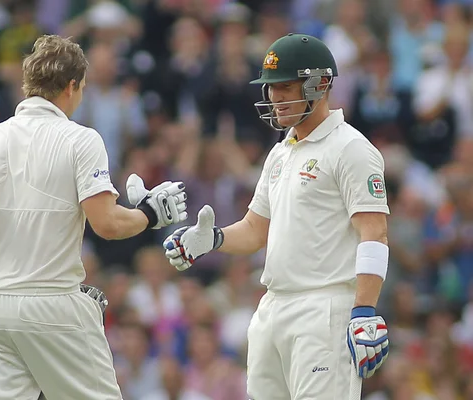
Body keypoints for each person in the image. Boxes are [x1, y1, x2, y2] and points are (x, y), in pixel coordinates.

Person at [0, 35, 188, 400]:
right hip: (50, 306)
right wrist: (149, 215)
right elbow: (107, 223)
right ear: (72, 86)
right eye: (82, 87)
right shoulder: (81, 140)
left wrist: (9, 255)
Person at [163, 33, 390, 400]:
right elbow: (255, 230)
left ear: (321, 83)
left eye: (285, 87)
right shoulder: (281, 151)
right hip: (273, 306)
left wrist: (365, 309)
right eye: (270, 88)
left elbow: (374, 232)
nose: (275, 98)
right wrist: (212, 239)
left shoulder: (351, 149)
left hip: (325, 309)